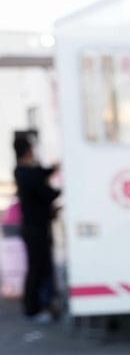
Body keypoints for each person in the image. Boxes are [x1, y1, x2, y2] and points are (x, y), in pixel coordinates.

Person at [13, 133, 60, 323]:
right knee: (37, 268)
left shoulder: (24, 172)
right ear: (27, 151)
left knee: (40, 267)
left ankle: (41, 304)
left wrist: (52, 170)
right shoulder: (25, 174)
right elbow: (47, 192)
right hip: (35, 229)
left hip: (35, 227)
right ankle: (33, 308)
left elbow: (41, 173)